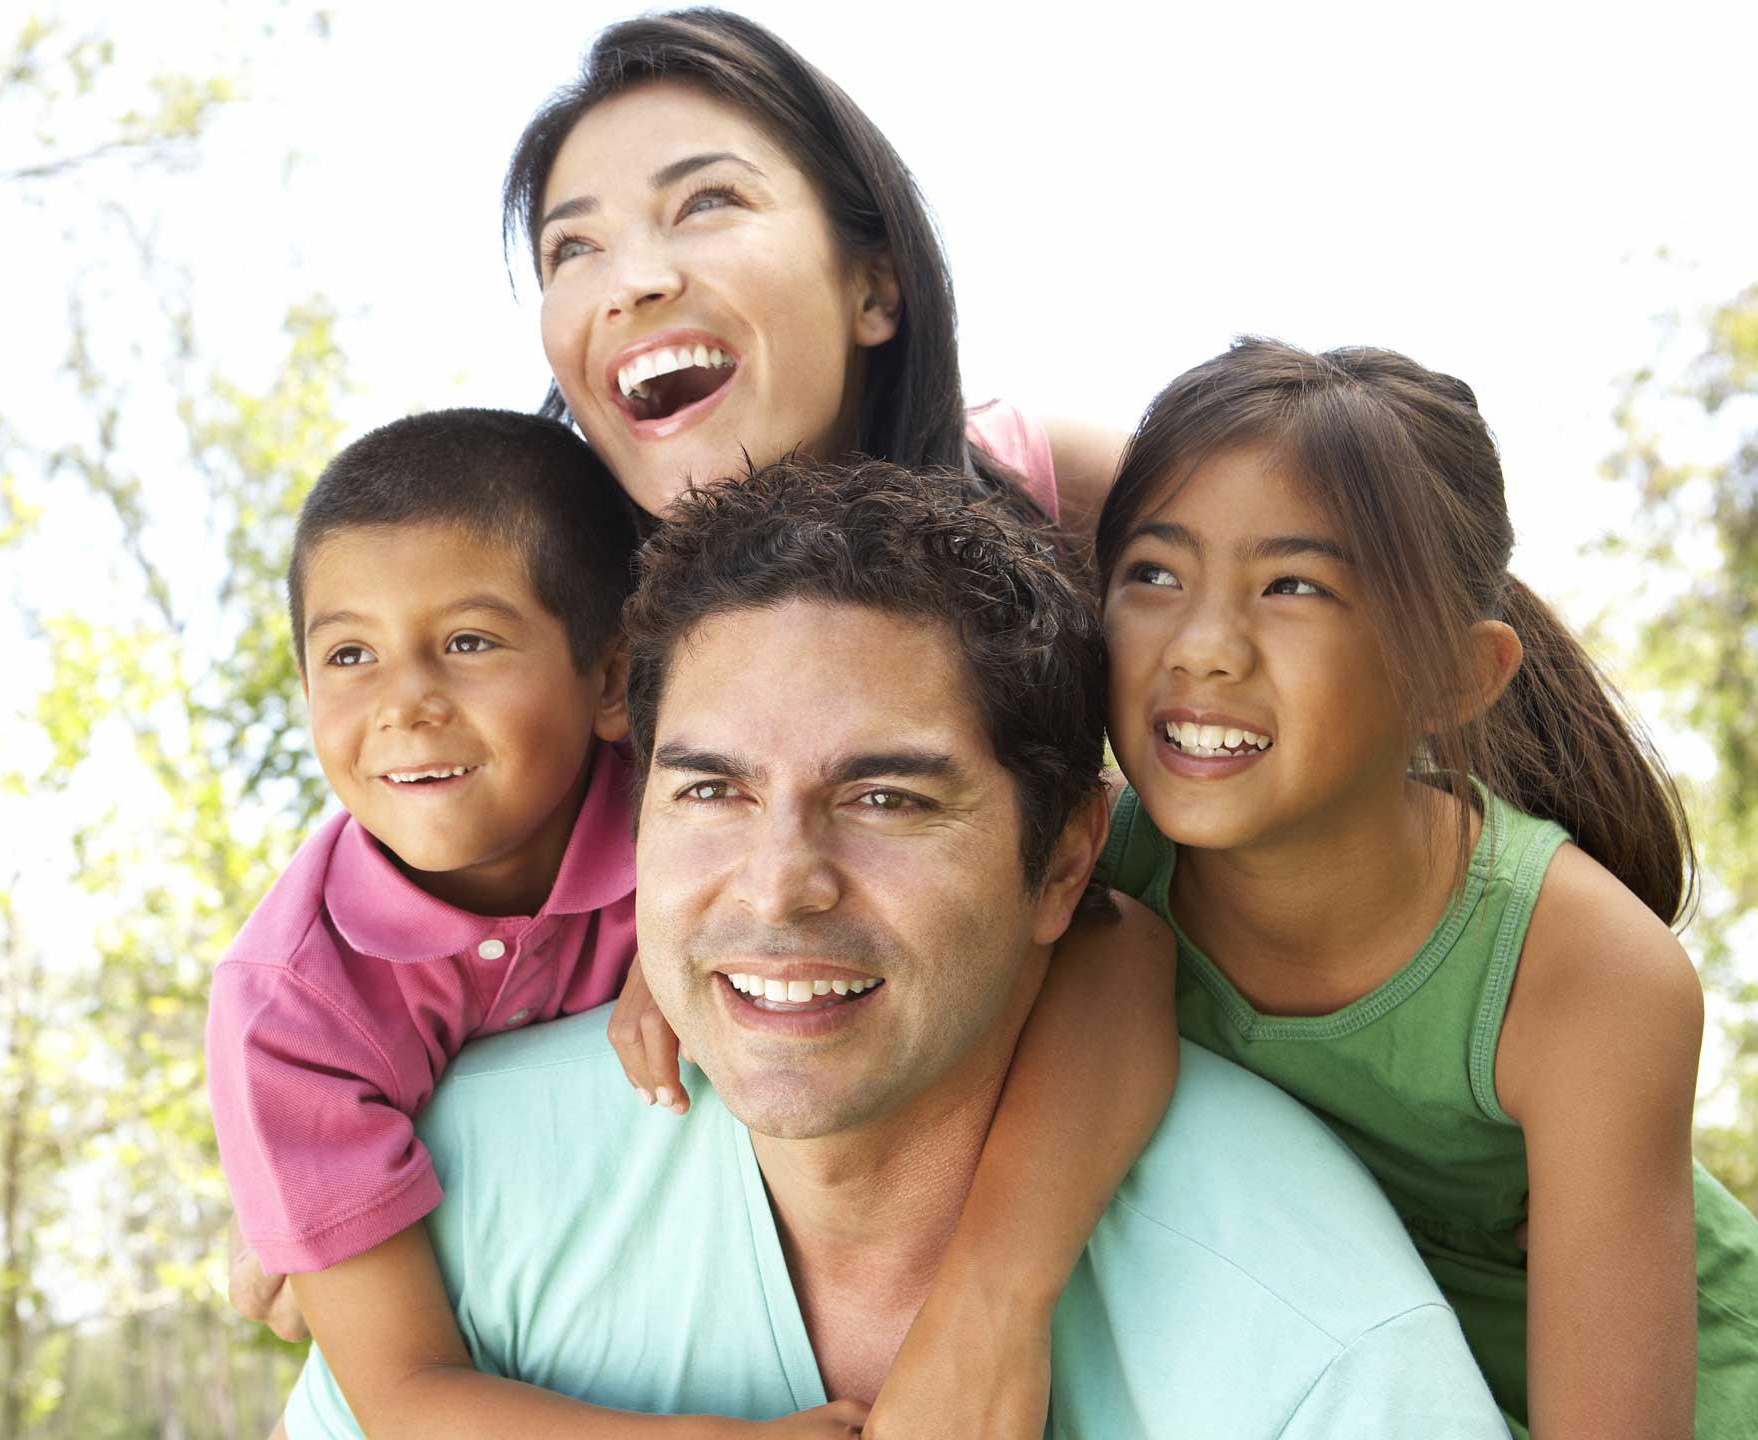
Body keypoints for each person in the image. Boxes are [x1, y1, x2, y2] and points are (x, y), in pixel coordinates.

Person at [278, 456, 1508, 1437]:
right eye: (709, 793)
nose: (781, 886)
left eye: (887, 800)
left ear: (1068, 859)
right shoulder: (467, 1192)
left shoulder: (1311, 1329)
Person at [209, 409, 1174, 1438]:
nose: (406, 703)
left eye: (466, 642)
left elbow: (1112, 935)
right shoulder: (289, 1005)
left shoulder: (717, 778)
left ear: (611, 680)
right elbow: (399, 1398)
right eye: (348, 655)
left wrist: (991, 1310)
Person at [1091, 337, 1758, 1438]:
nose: (1202, 646)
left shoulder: (1582, 971)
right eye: (1154, 574)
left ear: (1456, 676)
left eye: (1292, 586)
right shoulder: (1085, 863)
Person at [501, 8, 1125, 532]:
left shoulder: (1074, 496)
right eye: (573, 248)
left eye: (707, 202)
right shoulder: (529, 629)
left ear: (876, 291)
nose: (632, 283)